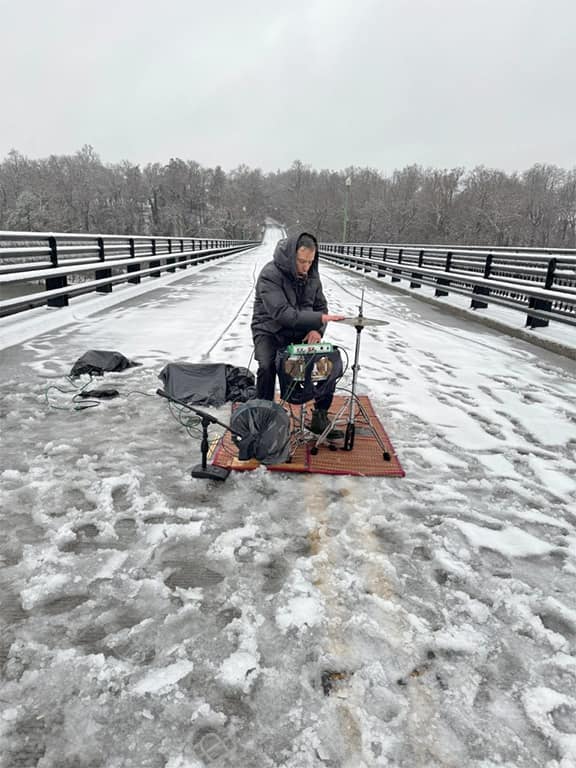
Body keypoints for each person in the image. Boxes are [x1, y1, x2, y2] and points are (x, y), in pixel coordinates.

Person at [251, 232, 345, 434]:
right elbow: (282, 313)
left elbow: (321, 306)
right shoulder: (270, 274)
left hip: (299, 329)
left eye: (310, 262)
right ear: (291, 256)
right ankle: (263, 418)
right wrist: (319, 319)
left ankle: (320, 416)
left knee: (325, 362)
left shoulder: (312, 276)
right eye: (301, 261)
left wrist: (316, 329)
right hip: (269, 330)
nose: (306, 267)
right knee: (267, 365)